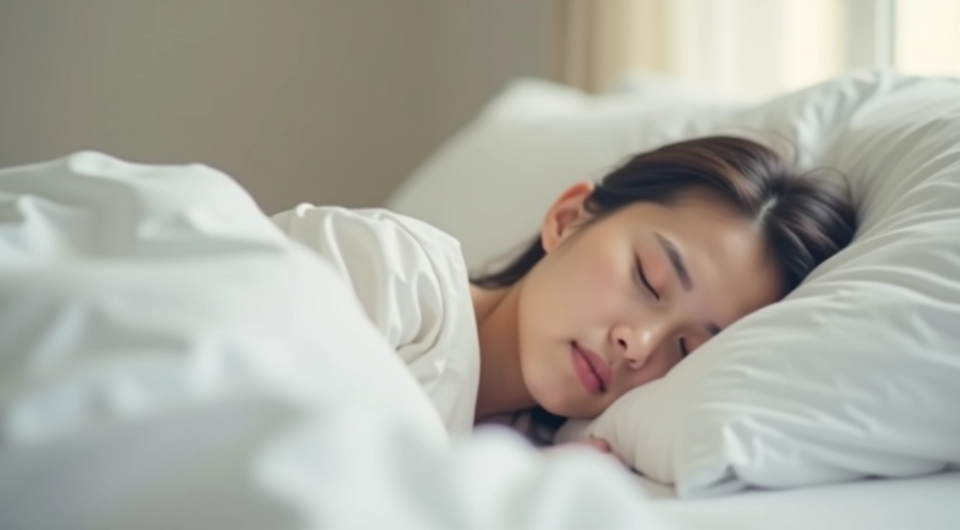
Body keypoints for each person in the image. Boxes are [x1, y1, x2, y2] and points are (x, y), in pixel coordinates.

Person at [272, 136, 857, 456]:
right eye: (650, 279)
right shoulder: (388, 268)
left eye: (686, 350)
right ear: (569, 217)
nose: (639, 343)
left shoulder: (540, 460)